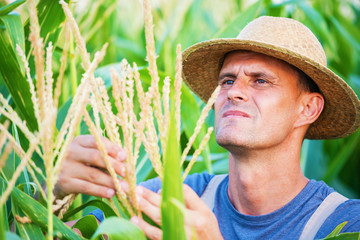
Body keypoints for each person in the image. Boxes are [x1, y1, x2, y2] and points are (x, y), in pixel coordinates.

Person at [55, 16, 360, 239]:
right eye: (227, 80)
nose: (233, 92)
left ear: (308, 108)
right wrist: (53, 194)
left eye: (260, 80)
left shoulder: (343, 224)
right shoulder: (173, 198)